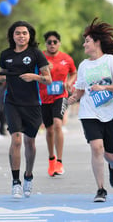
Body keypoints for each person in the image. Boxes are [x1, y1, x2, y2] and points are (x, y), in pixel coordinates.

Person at [68, 18, 113, 203]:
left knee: (110, 154)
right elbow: (80, 89)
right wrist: (73, 98)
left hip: (112, 112)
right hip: (90, 112)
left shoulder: (111, 61)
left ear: (97, 42)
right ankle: (101, 189)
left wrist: (104, 88)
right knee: (96, 147)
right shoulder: (84, 65)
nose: (84, 44)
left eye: (87, 40)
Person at [0, 21, 52, 199]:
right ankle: (15, 182)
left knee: (30, 143)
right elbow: (2, 78)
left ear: (30, 35)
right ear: (12, 36)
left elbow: (48, 79)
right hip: (12, 103)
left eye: (25, 33)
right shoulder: (6, 55)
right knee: (16, 140)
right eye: (18, 33)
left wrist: (34, 77)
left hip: (33, 104)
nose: (21, 36)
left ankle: (28, 175)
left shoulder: (36, 54)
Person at [39, 31, 77, 177]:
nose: (52, 44)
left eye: (55, 42)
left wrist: (69, 82)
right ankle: (51, 160)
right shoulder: (40, 57)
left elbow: (74, 72)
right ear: (46, 44)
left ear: (59, 43)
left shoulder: (66, 58)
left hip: (60, 95)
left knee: (58, 124)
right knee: (48, 130)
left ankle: (60, 162)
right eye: (49, 42)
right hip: (44, 97)